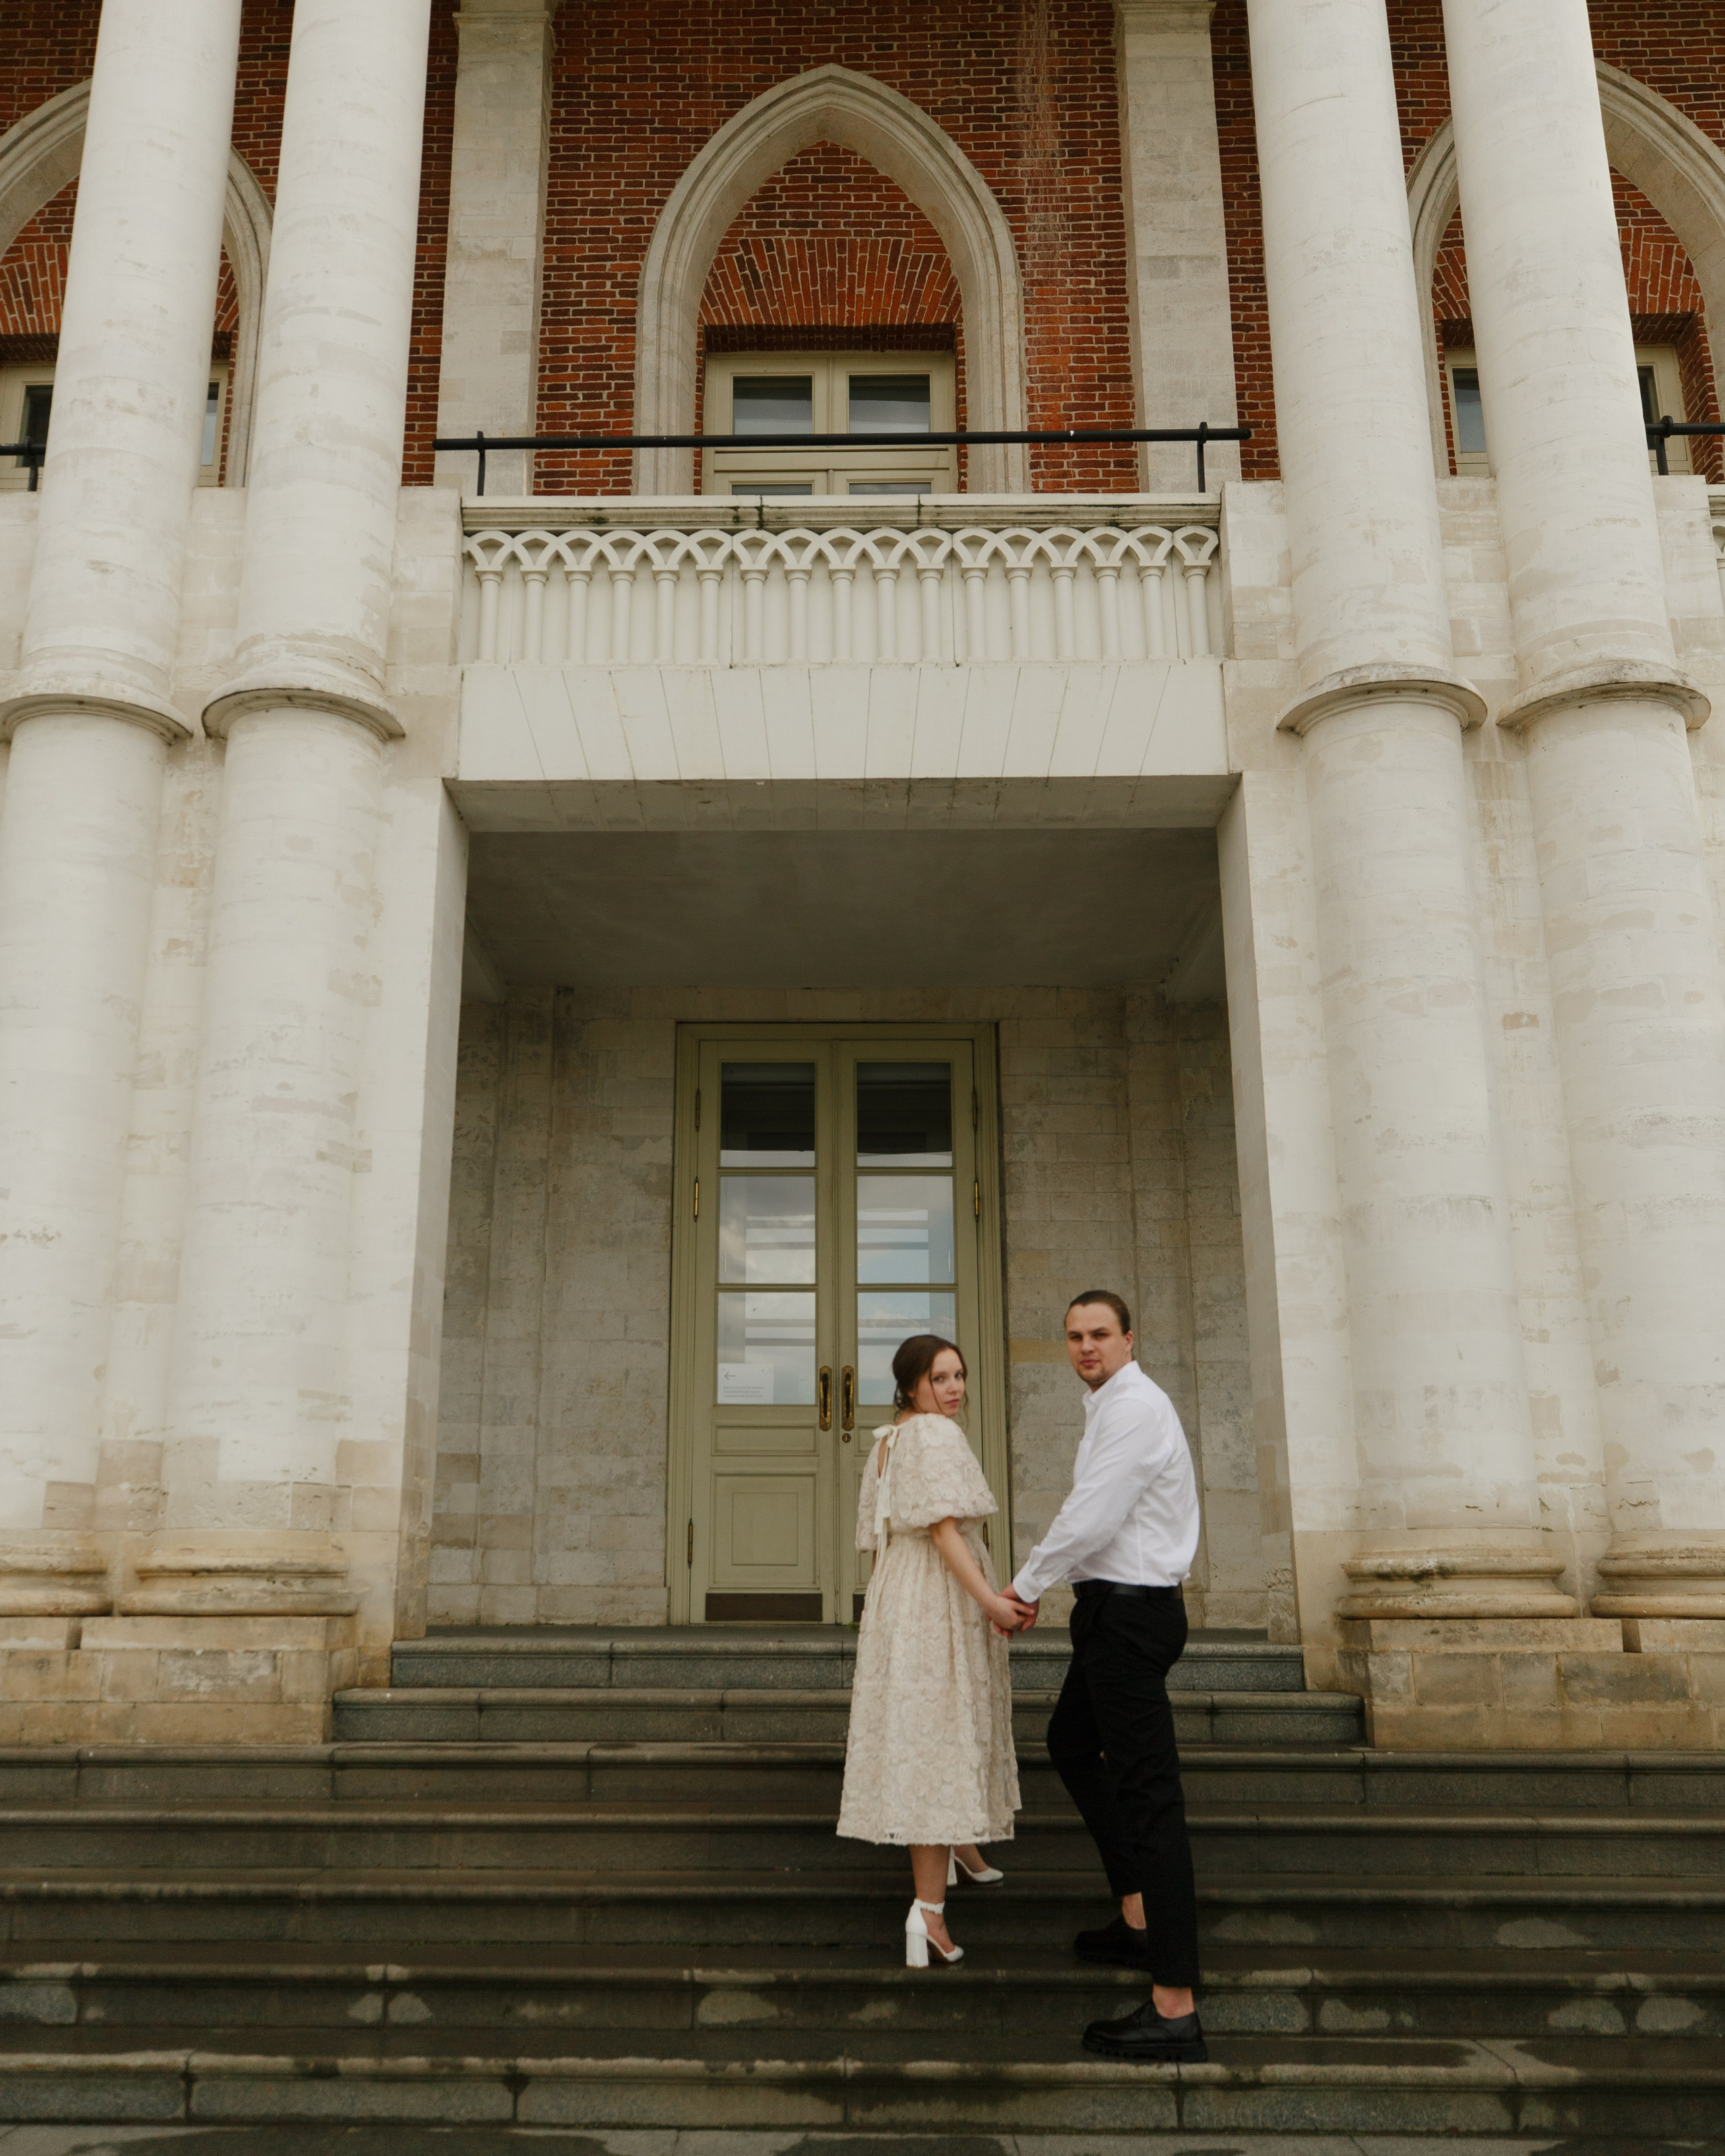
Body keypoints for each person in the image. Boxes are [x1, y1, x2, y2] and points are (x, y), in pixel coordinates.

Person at [1001, 1290, 1206, 2062]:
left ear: (1129, 1337)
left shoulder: (1133, 1408)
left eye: (1099, 1334)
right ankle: (1138, 1915)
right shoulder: (1109, 1405)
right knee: (1067, 1740)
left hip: (1130, 1616)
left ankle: (1175, 2004)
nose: (1085, 1346)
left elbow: (1091, 1515)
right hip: (1109, 1612)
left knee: (1153, 1800)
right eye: (1074, 1336)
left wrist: (1024, 1586)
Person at [837, 1333, 1025, 1968]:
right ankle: (929, 1913)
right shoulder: (935, 1436)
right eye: (940, 1378)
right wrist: (990, 1601)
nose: (955, 1389)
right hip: (938, 1590)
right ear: (912, 1384)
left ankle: (962, 1846)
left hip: (900, 1593)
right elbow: (944, 1530)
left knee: (928, 1726)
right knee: (942, 1730)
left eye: (959, 1376)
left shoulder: (891, 1437)